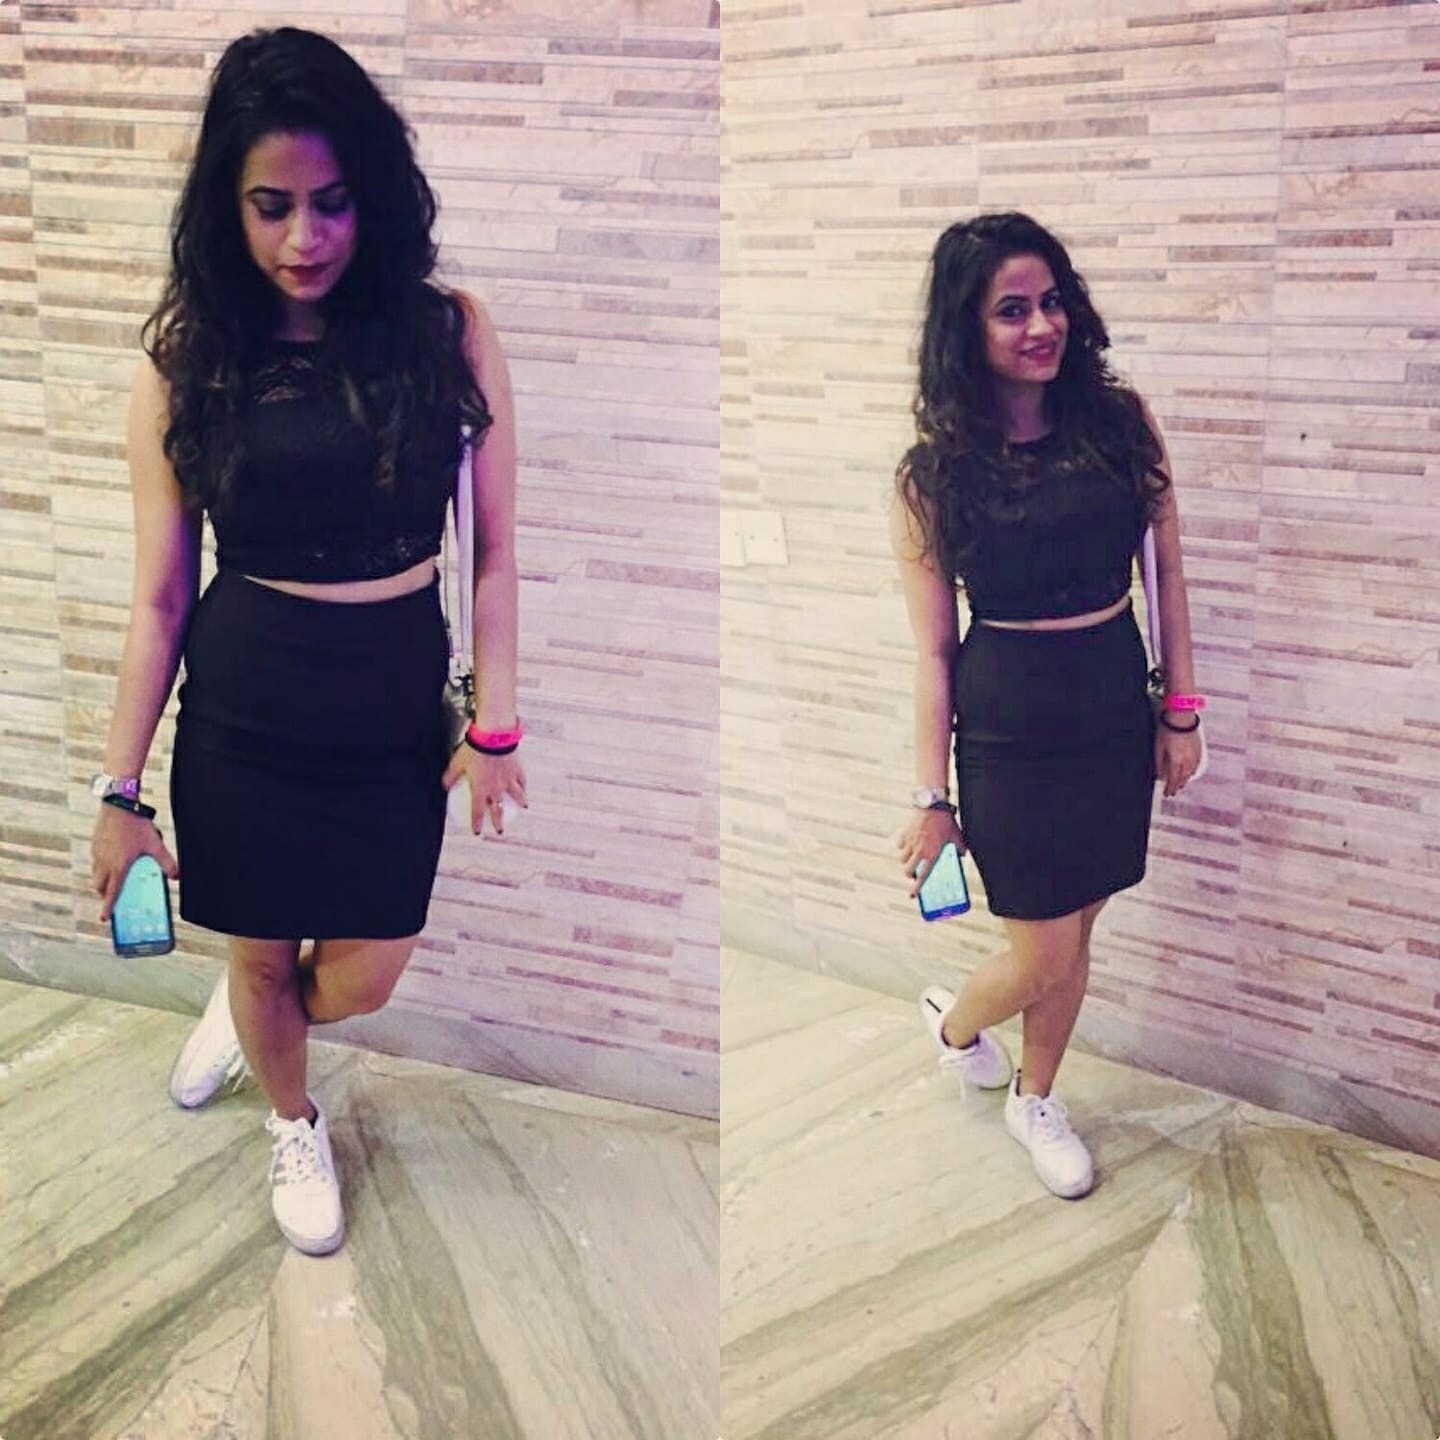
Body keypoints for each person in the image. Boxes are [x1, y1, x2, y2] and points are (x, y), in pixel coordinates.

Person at [88, 27, 525, 1254]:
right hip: (245, 712)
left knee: (365, 970)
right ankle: (293, 1114)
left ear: (370, 192)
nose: (303, 238)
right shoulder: (187, 365)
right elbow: (159, 599)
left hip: (392, 707)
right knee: (262, 950)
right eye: (270, 206)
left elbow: (493, 552)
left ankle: (253, 1015)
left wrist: (496, 722)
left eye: (331, 202)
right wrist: (119, 792)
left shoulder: (448, 334)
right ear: (225, 206)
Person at [890, 212, 1202, 1200]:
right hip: (1009, 729)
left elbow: (1167, 576)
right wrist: (930, 796)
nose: (1042, 326)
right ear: (965, 330)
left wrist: (1180, 710)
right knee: (1044, 948)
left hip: (1111, 703)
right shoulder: (932, 474)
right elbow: (933, 651)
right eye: (1011, 310)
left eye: (1051, 301)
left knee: (1082, 925)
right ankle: (954, 1029)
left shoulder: (1120, 424)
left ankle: (1035, 1096)